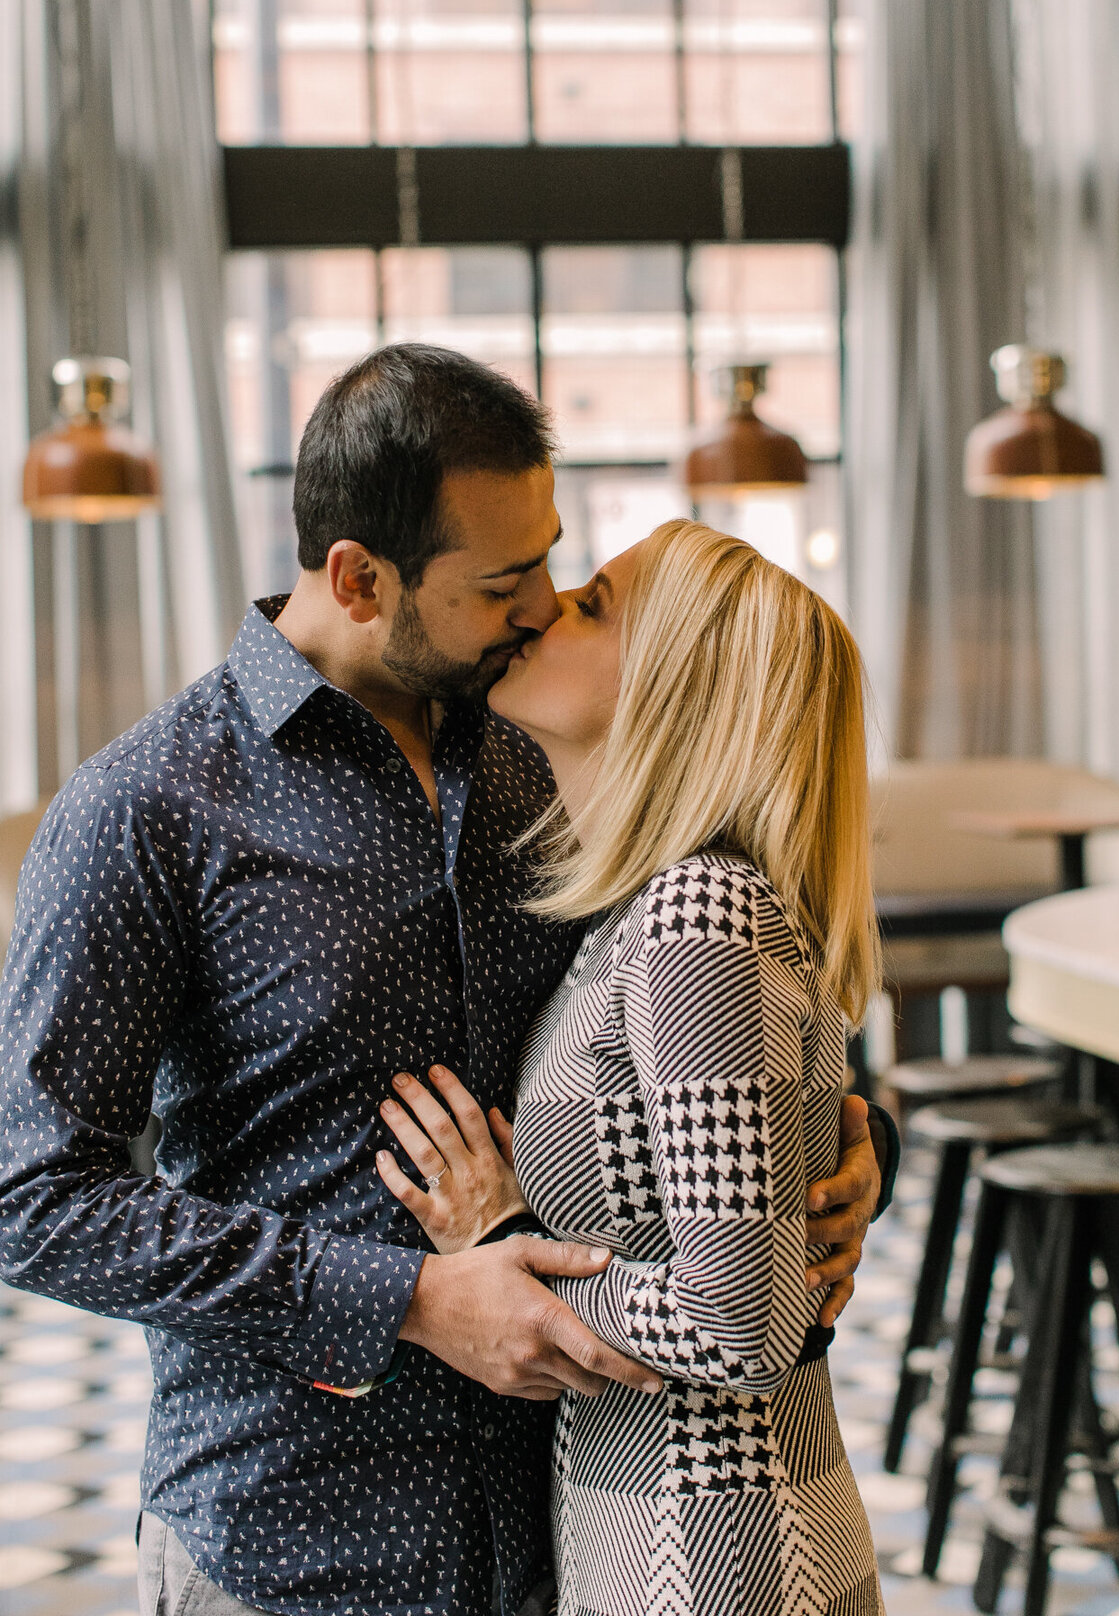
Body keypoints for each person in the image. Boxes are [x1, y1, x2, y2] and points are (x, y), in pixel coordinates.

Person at [0, 345, 895, 1616]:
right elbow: (31, 1197)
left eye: (554, 565)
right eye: (502, 581)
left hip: (588, 1523)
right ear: (363, 579)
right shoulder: (145, 810)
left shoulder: (563, 743)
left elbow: (726, 1023)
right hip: (292, 1534)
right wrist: (411, 1300)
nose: (538, 605)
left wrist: (852, 1159)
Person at [375, 518, 886, 1616]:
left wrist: (508, 1254)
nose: (548, 608)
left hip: (713, 1548)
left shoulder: (701, 914)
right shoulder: (650, 910)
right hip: (661, 1521)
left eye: (595, 605)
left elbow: (741, 1324)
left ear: (677, 686)